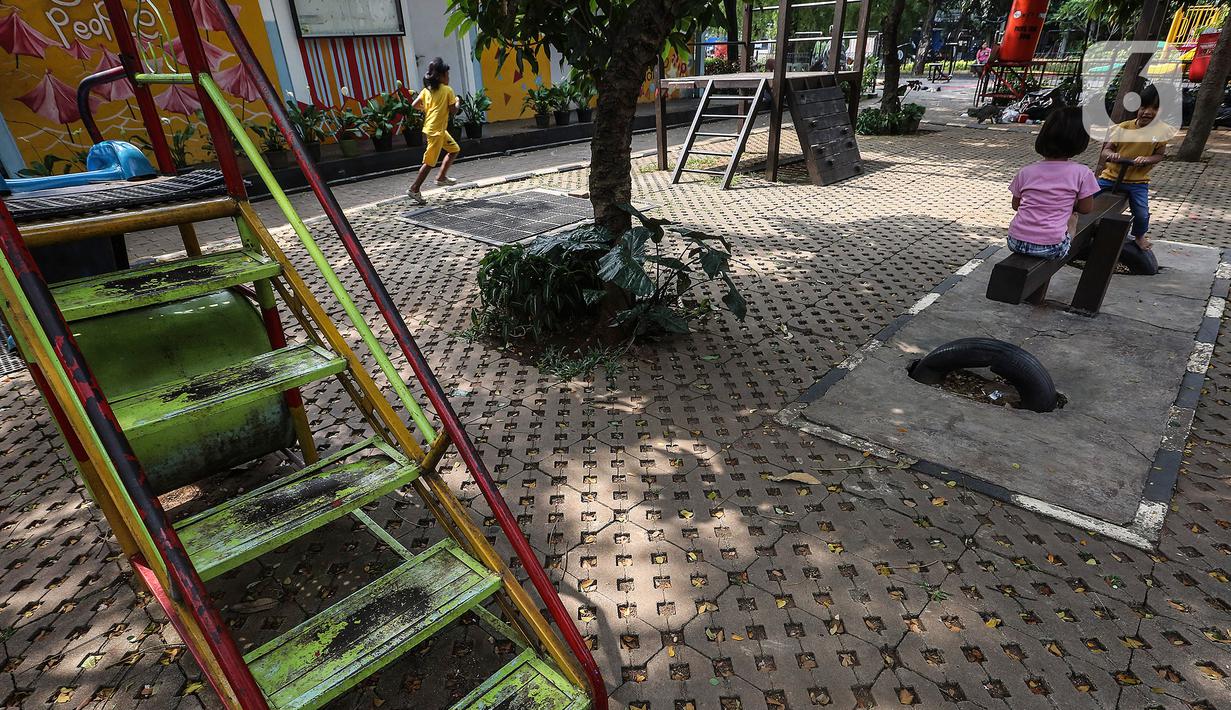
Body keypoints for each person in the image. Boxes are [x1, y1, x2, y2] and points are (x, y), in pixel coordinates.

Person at [1006, 106, 1099, 260]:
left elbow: (1016, 205)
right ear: (1081, 141)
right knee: (1073, 218)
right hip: (1051, 247)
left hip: (1015, 241)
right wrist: (1066, 205)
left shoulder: (1026, 171)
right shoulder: (1082, 173)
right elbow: (1086, 208)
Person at [1097, 84, 1168, 252]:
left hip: (1137, 182)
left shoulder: (1160, 133)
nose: (1147, 112)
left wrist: (1147, 159)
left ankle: (1139, 236)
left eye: (1154, 108)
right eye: (1144, 107)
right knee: (1085, 197)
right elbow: (1106, 150)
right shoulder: (1124, 128)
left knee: (1142, 212)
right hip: (1110, 177)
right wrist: (1111, 155)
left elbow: (1160, 155)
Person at [406, 57, 460, 205]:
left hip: (436, 129)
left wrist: (427, 109)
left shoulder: (426, 91)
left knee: (454, 149)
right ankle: (414, 189)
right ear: (441, 76)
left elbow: (414, 105)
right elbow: (453, 111)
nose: (448, 78)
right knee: (429, 162)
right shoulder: (447, 90)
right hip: (436, 132)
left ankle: (441, 177)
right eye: (447, 75)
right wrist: (457, 102)